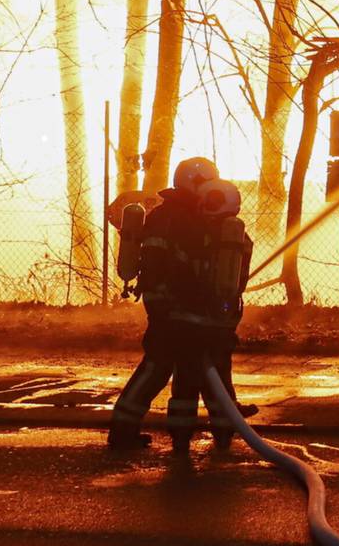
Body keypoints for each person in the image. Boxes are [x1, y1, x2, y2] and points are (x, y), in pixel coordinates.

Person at [106, 156, 251, 450]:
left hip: (168, 307)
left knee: (165, 367)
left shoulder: (171, 214)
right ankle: (221, 431)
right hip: (182, 308)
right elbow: (181, 265)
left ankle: (130, 431)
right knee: (208, 367)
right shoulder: (186, 218)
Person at [163, 178, 253, 448]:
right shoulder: (239, 237)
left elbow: (178, 272)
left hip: (186, 321)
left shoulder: (191, 230)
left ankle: (180, 439)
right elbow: (239, 281)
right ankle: (224, 434)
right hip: (220, 323)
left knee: (185, 383)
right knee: (220, 380)